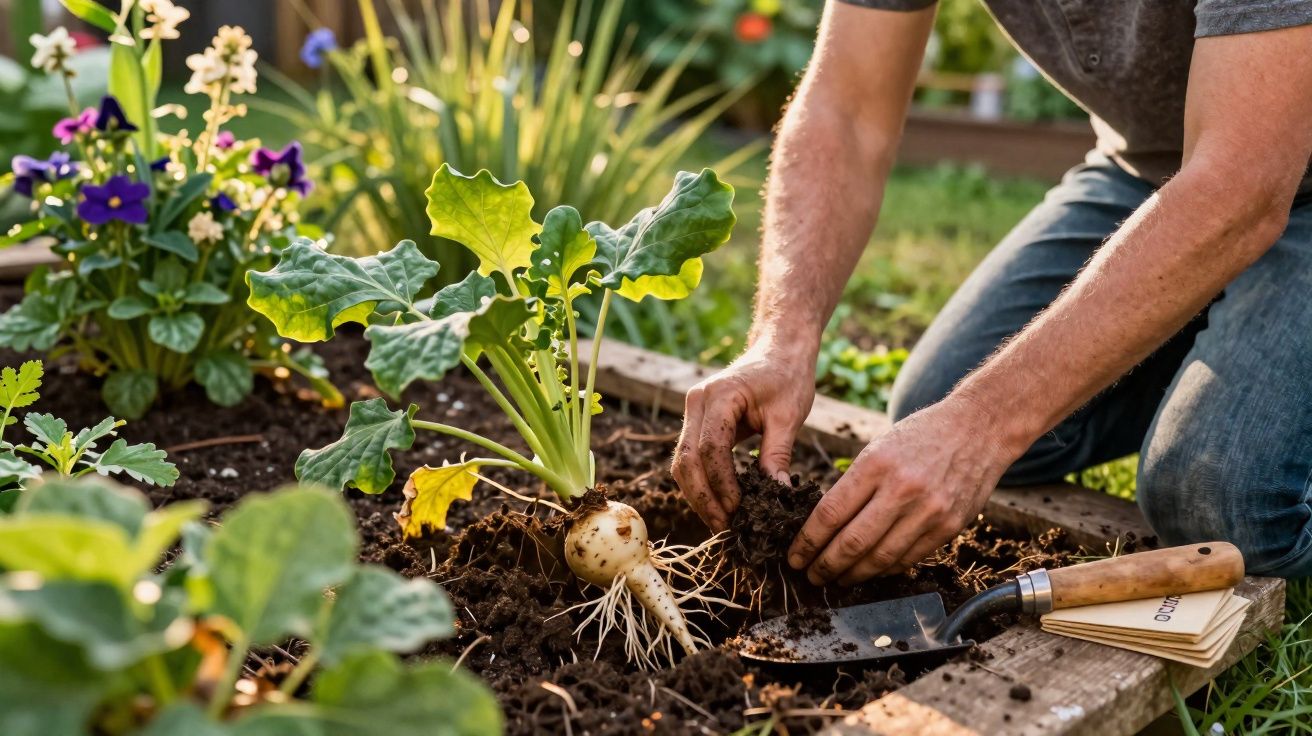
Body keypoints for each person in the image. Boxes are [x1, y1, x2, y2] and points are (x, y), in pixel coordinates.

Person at [672, 0, 1312, 584]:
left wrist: (983, 424)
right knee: (936, 399)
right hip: (1149, 169)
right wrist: (781, 339)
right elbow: (847, 108)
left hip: (1258, 171)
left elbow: (1241, 183)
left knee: (1218, 501)